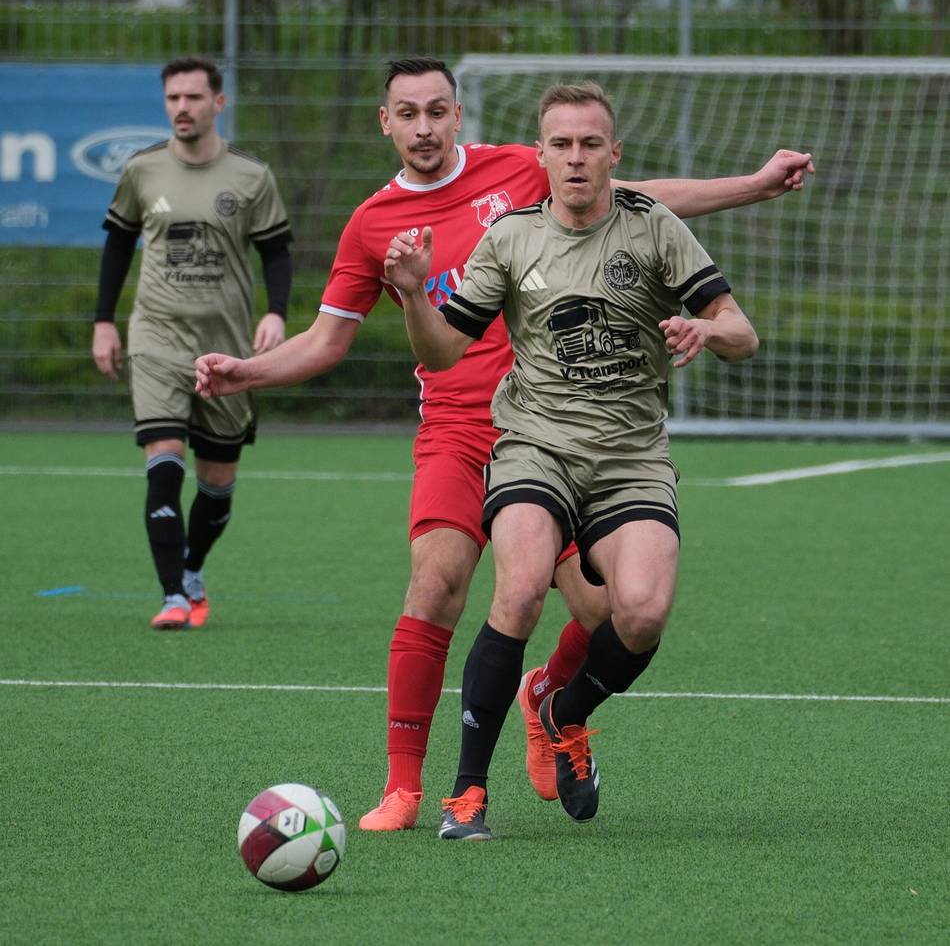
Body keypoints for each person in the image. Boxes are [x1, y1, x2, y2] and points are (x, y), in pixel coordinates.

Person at [195, 57, 810, 831]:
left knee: (608, 610)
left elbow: (645, 202)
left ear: (460, 116)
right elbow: (324, 343)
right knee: (440, 580)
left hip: (565, 429)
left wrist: (752, 186)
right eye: (408, 114)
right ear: (384, 122)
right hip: (460, 430)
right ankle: (409, 788)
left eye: (437, 111)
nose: (424, 127)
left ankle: (548, 702)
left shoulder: (523, 169)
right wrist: (244, 372)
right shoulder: (372, 224)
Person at [383, 80, 760, 840]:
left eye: (592, 144)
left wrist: (705, 331)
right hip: (536, 447)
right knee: (519, 592)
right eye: (561, 144)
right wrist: (415, 297)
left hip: (630, 457)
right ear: (542, 154)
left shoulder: (653, 227)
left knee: (642, 614)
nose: (577, 157)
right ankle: (467, 794)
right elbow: (444, 352)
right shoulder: (512, 235)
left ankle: (561, 710)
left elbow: (741, 329)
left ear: (614, 155)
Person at [92, 55, 293, 630]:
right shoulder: (141, 171)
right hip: (155, 337)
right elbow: (117, 246)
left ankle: (192, 567)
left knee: (217, 487)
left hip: (227, 347)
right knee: (163, 463)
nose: (182, 107)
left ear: (218, 103)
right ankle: (173, 597)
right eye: (173, 98)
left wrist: (276, 314)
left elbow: (276, 251)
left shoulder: (251, 176)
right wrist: (104, 320)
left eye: (193, 98)